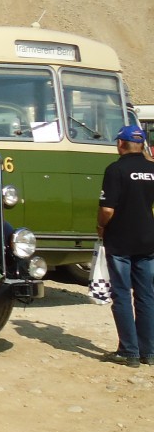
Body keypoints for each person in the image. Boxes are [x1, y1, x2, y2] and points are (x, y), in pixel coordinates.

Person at [97, 124, 154, 366]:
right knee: (146, 296)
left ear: (120, 143)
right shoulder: (152, 170)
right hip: (148, 241)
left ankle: (128, 352)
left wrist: (100, 227)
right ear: (141, 145)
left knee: (121, 294)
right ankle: (149, 352)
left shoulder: (115, 170)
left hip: (120, 242)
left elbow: (107, 209)